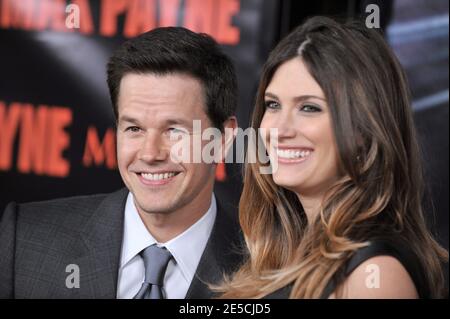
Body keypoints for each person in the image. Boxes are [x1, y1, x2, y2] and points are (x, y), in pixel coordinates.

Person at [0, 27, 243, 299]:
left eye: (174, 130)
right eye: (134, 129)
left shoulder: (272, 270)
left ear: (223, 139)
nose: (150, 154)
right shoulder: (25, 240)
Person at [216, 16, 448, 299]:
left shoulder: (374, 273)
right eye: (273, 104)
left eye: (310, 108)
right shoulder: (284, 250)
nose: (279, 129)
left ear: (366, 129)